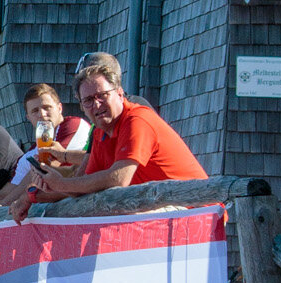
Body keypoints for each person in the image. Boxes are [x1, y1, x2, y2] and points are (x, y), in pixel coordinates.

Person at [21, 52, 205, 210]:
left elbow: (118, 178)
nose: (97, 104)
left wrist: (60, 181)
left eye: (102, 96)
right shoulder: (100, 131)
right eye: (88, 100)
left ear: (119, 92)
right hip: (160, 207)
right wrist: (31, 196)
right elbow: (83, 183)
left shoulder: (137, 119)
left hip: (192, 209)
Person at [0, 82, 92, 201]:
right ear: (28, 118)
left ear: (59, 108)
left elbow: (47, 166)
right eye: (35, 111)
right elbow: (12, 187)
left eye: (47, 108)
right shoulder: (32, 150)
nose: (42, 114)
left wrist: (4, 203)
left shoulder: (73, 125)